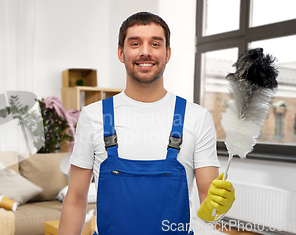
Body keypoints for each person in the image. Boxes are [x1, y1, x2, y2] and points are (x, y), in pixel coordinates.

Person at [58, 12, 235, 235]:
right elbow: (75, 199)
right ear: (121, 53)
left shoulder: (197, 117)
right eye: (135, 43)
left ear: (167, 53)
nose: (145, 51)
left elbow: (208, 203)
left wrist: (216, 208)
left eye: (155, 43)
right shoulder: (93, 116)